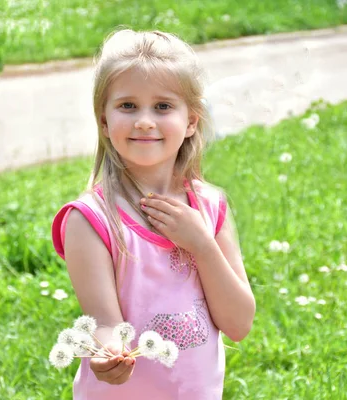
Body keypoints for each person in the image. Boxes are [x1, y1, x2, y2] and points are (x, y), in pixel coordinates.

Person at [51, 29, 256, 399]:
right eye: (127, 106)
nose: (144, 121)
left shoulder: (210, 207)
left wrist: (202, 245)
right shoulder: (90, 220)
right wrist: (107, 355)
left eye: (163, 107)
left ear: (191, 121)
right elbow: (105, 324)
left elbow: (239, 324)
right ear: (103, 121)